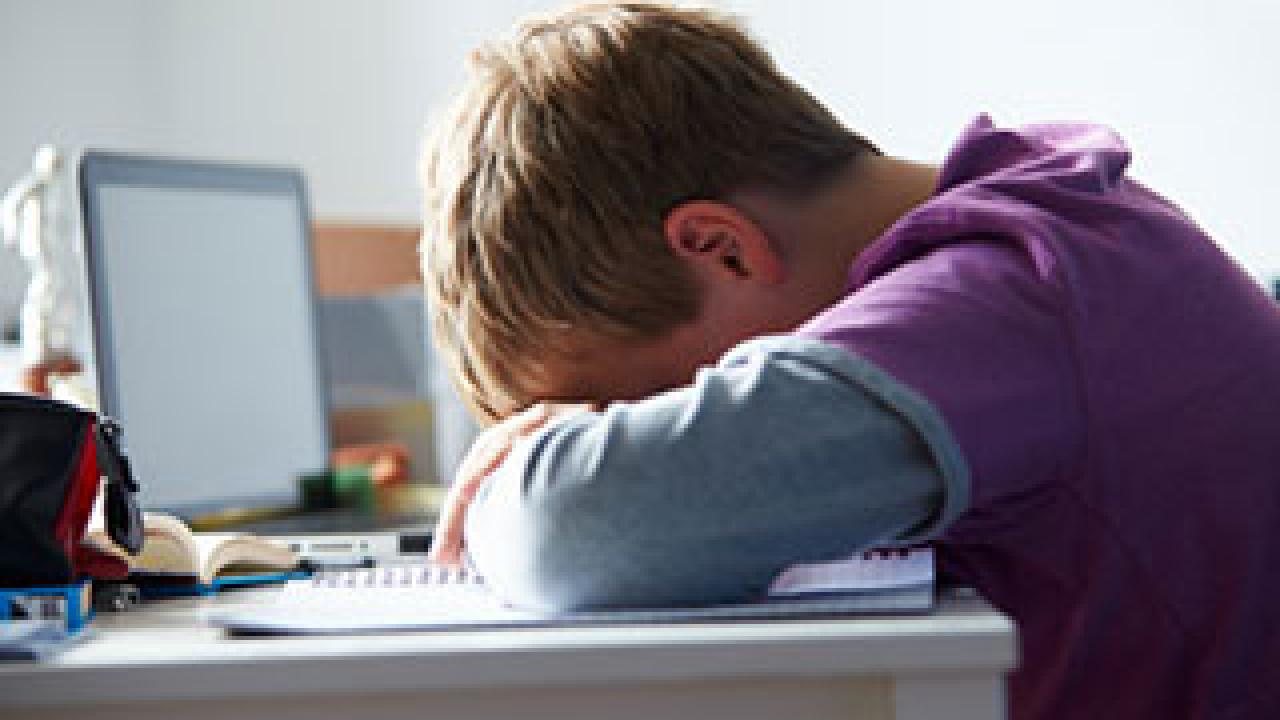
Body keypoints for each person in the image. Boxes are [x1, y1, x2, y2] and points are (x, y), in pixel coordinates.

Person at [419, 3, 1280, 718]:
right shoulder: (1052, 228)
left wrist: (515, 481)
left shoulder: (1007, 299)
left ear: (721, 248)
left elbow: (578, 530)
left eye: (653, 408)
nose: (673, 432)